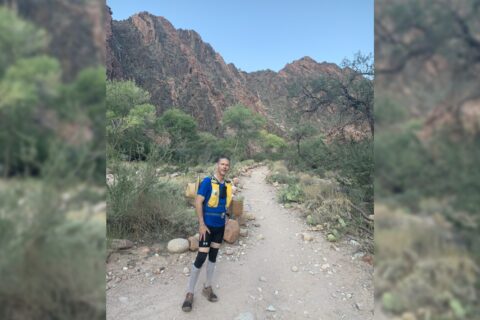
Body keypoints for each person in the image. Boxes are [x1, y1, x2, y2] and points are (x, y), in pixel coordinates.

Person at [181, 156, 233, 312]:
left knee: (213, 256)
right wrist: (201, 224)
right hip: (207, 227)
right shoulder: (207, 182)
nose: (224, 167)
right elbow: (198, 202)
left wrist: (228, 217)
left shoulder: (227, 184)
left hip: (219, 227)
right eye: (222, 164)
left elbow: (227, 204)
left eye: (227, 165)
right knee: (201, 257)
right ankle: (190, 293)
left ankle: (207, 287)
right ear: (217, 165)